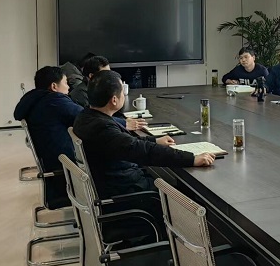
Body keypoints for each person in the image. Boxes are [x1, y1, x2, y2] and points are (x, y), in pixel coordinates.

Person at [73, 70, 215, 199]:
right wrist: (191, 159)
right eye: (122, 91)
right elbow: (142, 150)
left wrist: (154, 140)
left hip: (115, 183)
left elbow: (126, 142)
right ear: (114, 100)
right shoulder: (102, 128)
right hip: (127, 194)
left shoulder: (85, 116)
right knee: (191, 198)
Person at [13, 65, 146, 173]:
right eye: (66, 83)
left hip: (50, 156)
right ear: (54, 86)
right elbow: (90, 118)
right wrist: (124, 123)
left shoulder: (36, 98)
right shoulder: (55, 102)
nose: (68, 87)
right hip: (63, 161)